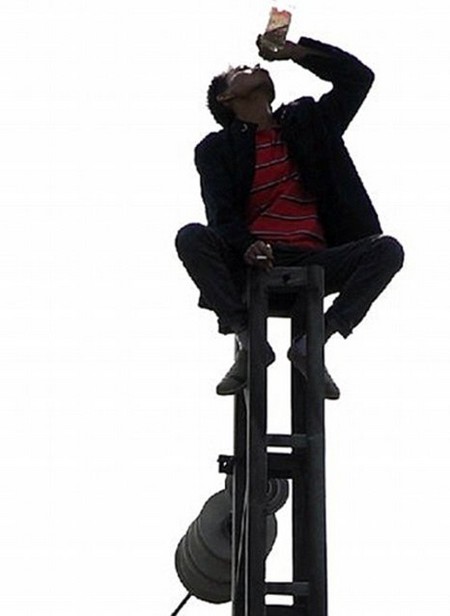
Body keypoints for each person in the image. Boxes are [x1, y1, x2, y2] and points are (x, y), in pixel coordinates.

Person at [175, 35, 404, 400]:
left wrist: (298, 52)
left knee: (387, 250)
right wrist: (247, 246)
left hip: (316, 258)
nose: (255, 67)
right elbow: (221, 214)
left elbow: (358, 78)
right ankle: (248, 339)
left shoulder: (309, 122)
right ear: (226, 97)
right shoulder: (217, 148)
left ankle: (315, 341)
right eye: (242, 71)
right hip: (253, 260)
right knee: (191, 237)